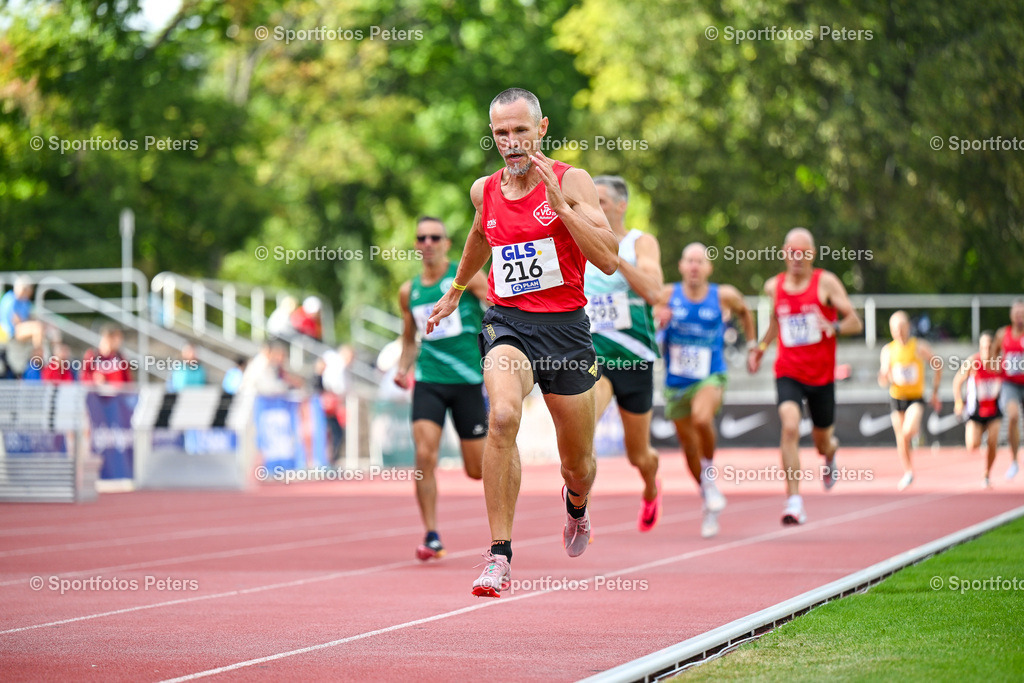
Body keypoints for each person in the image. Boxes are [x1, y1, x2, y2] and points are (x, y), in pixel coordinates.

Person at [427, 87, 618, 598]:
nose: (511, 143)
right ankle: (498, 556)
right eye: (501, 133)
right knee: (504, 416)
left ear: (541, 128)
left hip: (567, 330)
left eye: (520, 131)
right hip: (508, 323)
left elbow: (608, 259)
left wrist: (564, 209)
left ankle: (576, 505)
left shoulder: (570, 179)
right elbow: (478, 236)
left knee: (578, 464)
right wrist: (456, 289)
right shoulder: (483, 189)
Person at [748, 228, 863, 525]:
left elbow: (855, 321)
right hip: (788, 371)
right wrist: (761, 348)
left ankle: (830, 453)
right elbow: (776, 322)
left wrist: (833, 327)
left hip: (821, 377)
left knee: (822, 441)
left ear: (812, 254)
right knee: (789, 427)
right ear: (784, 253)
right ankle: (794, 501)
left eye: (804, 253)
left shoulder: (825, 282)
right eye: (792, 252)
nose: (797, 258)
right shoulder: (773, 286)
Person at [395, 216, 490, 561]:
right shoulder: (410, 290)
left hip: (467, 382)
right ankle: (432, 534)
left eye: (436, 236)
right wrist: (402, 367)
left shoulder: (464, 278)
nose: (429, 242)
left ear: (447, 244)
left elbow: (497, 305)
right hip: (429, 381)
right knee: (424, 456)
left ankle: (506, 460)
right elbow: (410, 338)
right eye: (422, 237)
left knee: (476, 469)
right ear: (417, 244)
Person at [583, 175, 663, 532]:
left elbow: (654, 292)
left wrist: (615, 258)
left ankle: (650, 486)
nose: (593, 208)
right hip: (591, 355)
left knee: (638, 454)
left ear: (621, 205)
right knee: (582, 431)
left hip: (633, 358)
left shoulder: (639, 243)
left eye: (600, 201)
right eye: (589, 201)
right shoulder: (577, 241)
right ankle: (578, 510)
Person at [658, 243, 756, 537]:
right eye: (690, 261)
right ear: (681, 266)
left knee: (702, 419)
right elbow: (650, 326)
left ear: (709, 268)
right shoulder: (666, 295)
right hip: (676, 382)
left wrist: (752, 347)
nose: (695, 266)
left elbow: (744, 312)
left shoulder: (722, 295)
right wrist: (657, 322)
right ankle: (707, 492)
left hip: (710, 375)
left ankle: (709, 476)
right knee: (688, 448)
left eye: (700, 261)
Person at [878, 311, 942, 491]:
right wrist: (884, 375)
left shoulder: (918, 346)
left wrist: (935, 390)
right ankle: (908, 472)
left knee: (907, 432)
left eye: (901, 327)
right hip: (897, 397)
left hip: (915, 398)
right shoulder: (888, 350)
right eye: (895, 329)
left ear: (908, 327)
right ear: (891, 330)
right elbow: (883, 376)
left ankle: (916, 431)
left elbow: (937, 363)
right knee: (901, 439)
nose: (898, 332)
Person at [953, 331, 1003, 488]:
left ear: (994, 346)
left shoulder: (1000, 364)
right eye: (983, 347)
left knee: (993, 440)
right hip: (976, 410)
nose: (986, 351)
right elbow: (957, 381)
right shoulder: (972, 362)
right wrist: (958, 402)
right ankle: (980, 435)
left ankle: (987, 474)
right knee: (972, 445)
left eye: (989, 347)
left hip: (994, 409)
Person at [993, 299, 1024, 480]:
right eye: (1017, 313)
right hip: (1010, 383)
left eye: (1022, 313)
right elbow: (993, 353)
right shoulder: (1003, 334)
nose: (1019, 316)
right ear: (1011, 315)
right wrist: (995, 367)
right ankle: (1014, 460)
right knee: (1012, 416)